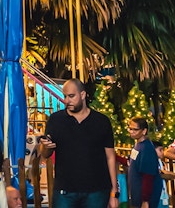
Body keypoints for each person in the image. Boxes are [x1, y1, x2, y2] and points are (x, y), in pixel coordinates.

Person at [39, 78, 119, 208]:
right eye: (65, 96)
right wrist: (45, 147)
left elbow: (110, 157)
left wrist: (114, 192)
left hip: (97, 191)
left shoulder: (101, 121)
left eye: (71, 96)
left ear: (83, 95)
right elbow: (45, 154)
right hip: (64, 191)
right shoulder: (56, 120)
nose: (66, 100)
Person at [127, 117, 163, 208]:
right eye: (130, 128)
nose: (131, 131)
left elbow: (148, 176)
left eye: (135, 129)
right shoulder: (138, 145)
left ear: (144, 131)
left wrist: (145, 200)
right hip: (137, 193)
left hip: (145, 197)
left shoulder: (146, 148)